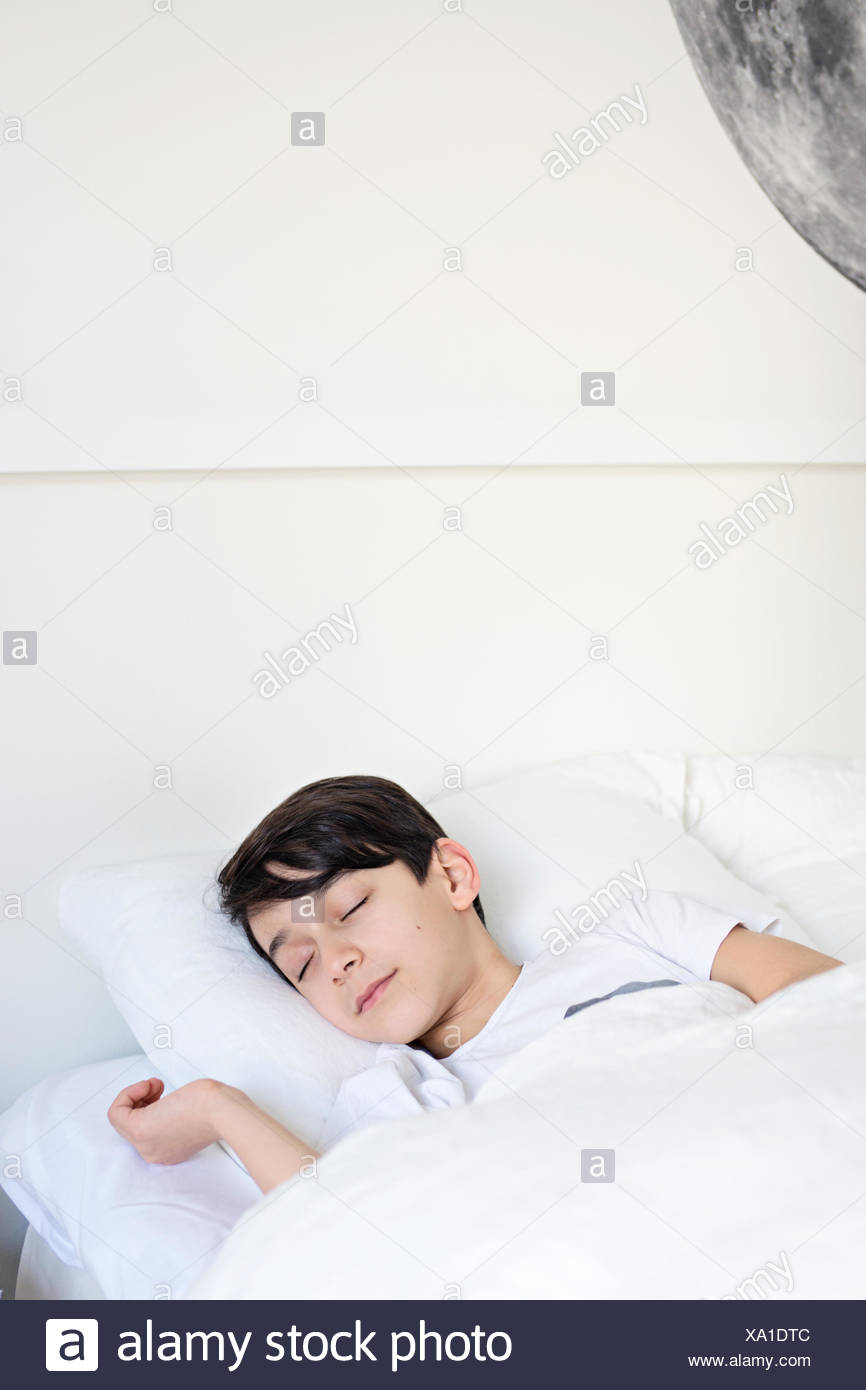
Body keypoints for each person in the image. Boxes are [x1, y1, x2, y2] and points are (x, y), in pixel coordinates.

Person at [108, 775, 843, 1196]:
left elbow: (834, 1010)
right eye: (300, 965)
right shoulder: (404, 1094)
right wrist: (215, 1109)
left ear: (453, 875)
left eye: (351, 909)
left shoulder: (639, 932)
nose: (334, 962)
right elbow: (338, 1239)